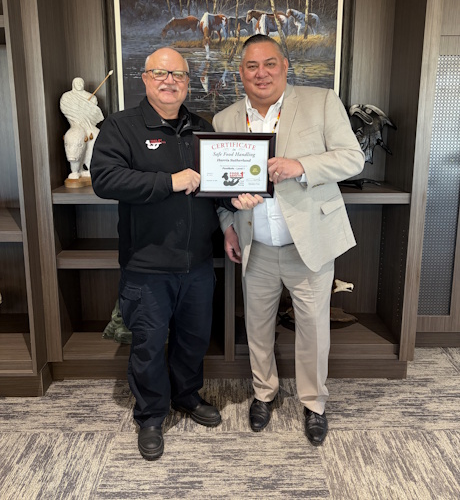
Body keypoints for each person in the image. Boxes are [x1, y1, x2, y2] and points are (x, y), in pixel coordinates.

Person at [91, 48, 257, 461]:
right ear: (145, 79)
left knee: (193, 338)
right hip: (146, 265)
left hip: (197, 263)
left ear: (187, 82)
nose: (170, 81)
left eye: (178, 75)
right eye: (160, 73)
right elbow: (105, 179)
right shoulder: (121, 127)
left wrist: (238, 198)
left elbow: (215, 186)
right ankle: (151, 415)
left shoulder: (202, 128)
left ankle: (186, 395)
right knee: (148, 345)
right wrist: (169, 181)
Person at [213, 35, 365, 446]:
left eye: (269, 64)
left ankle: (314, 403)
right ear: (240, 73)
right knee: (257, 327)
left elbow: (353, 157)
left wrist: (301, 165)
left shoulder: (321, 101)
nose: (261, 73)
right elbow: (220, 187)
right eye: (251, 66)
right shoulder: (225, 120)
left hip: (308, 242)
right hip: (256, 245)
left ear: (284, 65)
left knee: (314, 330)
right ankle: (264, 393)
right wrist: (228, 223)